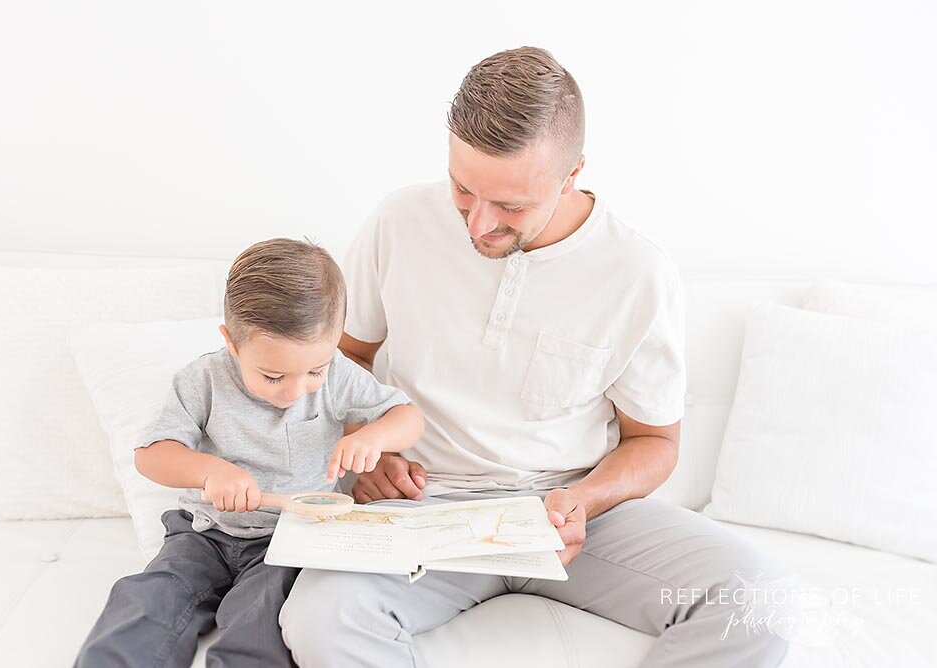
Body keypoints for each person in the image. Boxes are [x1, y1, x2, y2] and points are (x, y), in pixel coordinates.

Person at [279, 47, 790, 667]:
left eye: (511, 206)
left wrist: (585, 501)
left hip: (568, 513)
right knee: (318, 621)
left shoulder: (638, 272)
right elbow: (344, 359)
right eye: (463, 189)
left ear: (573, 172)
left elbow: (654, 440)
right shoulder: (399, 220)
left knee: (756, 598)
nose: (478, 225)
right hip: (419, 506)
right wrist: (370, 440)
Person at [74, 238, 425, 668]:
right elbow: (151, 455)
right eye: (274, 375)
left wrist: (372, 438)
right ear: (233, 344)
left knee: (261, 617)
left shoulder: (339, 378)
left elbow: (408, 417)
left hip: (289, 541)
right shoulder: (202, 380)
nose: (296, 391)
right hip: (202, 533)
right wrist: (209, 472)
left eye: (314, 370)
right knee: (149, 596)